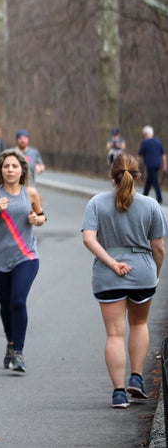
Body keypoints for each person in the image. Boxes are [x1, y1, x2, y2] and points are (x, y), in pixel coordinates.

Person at [81, 154, 166, 409]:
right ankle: (137, 379)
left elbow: (88, 239)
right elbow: (159, 247)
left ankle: (119, 393)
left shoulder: (96, 203)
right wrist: (156, 272)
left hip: (108, 276)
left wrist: (112, 263)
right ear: (138, 177)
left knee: (114, 334)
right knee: (139, 324)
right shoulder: (151, 206)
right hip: (143, 273)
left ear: (111, 176)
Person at [0, 148, 47, 373]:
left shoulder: (31, 193)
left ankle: (18, 351)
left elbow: (42, 216)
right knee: (6, 306)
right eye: (6, 166)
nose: (10, 170)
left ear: (21, 170)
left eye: (14, 166)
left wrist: (37, 219)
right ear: (0, 170)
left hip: (26, 256)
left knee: (18, 301)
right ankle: (10, 343)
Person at [138, 126, 166, 204]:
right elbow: (163, 154)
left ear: (146, 134)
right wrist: (165, 165)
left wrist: (136, 164)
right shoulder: (158, 142)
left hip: (150, 165)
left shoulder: (145, 142)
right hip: (158, 165)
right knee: (149, 181)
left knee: (155, 182)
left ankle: (159, 198)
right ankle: (144, 196)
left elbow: (139, 154)